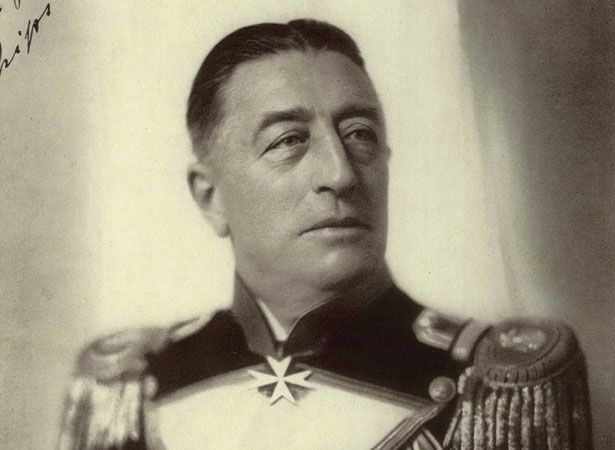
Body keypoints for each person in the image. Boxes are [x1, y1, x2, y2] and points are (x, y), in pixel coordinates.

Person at [58, 19, 593, 450]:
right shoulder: (135, 387)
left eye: (360, 134)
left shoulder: (490, 389)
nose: (340, 174)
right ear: (210, 197)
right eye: (289, 141)